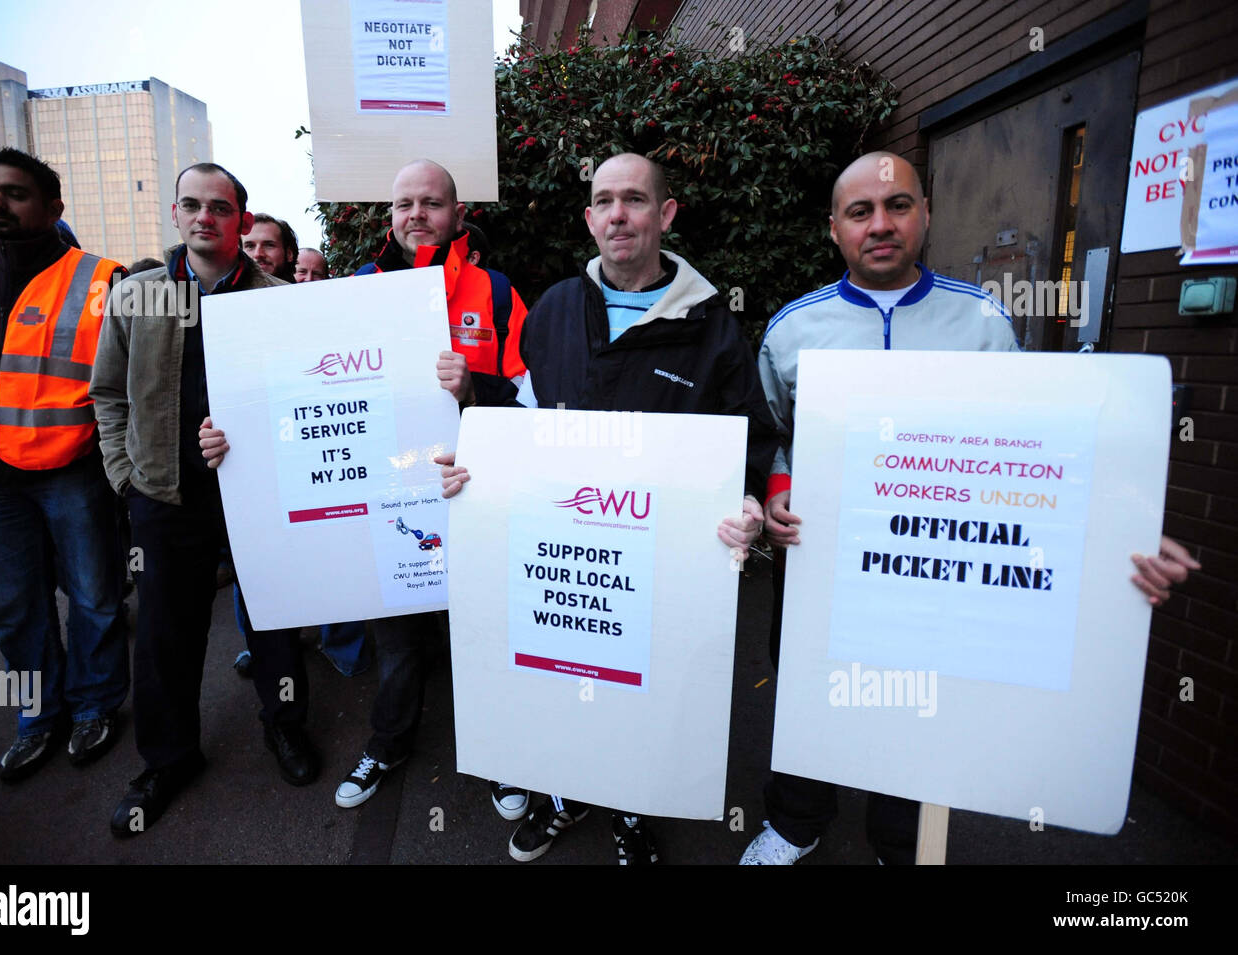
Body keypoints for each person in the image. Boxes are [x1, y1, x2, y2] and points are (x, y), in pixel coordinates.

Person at [742, 150, 1202, 865]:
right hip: (820, 559)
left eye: (898, 206)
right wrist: (776, 493)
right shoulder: (791, 328)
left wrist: (1125, 529)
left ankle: (901, 839)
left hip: (933, 561)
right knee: (809, 686)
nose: (881, 224)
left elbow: (1039, 450)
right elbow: (769, 431)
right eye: (860, 211)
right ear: (834, 228)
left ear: (926, 214)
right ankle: (797, 820)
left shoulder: (983, 321)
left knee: (923, 698)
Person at [437, 151, 777, 864]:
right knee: (562, 679)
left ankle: (629, 807)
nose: (618, 214)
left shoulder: (713, 325)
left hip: (659, 564)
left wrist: (748, 504)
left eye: (635, 199)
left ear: (665, 214)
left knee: (640, 693)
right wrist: (475, 428)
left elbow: (746, 437)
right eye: (604, 201)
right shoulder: (557, 306)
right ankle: (565, 795)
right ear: (589, 218)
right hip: (564, 557)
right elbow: (526, 414)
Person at [202, 159, 532, 818]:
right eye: (404, 203)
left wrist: (473, 391)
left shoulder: (496, 292)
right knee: (398, 640)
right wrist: (232, 435)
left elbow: (529, 401)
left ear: (458, 214)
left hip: (479, 493)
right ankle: (388, 742)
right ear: (389, 218)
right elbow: (296, 388)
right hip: (390, 502)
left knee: (485, 631)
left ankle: (504, 755)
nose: (417, 214)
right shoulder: (354, 288)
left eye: (432, 203)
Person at [91, 162, 318, 838]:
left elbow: (306, 399)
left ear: (241, 222)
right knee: (164, 636)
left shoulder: (278, 297)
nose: (204, 217)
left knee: (276, 623)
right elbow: (108, 394)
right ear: (175, 213)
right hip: (163, 494)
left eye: (219, 207)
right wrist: (123, 472)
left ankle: (285, 726)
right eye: (191, 204)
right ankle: (168, 758)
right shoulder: (136, 296)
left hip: (257, 492)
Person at [0, 147, 128, 779]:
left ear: (53, 209)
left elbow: (129, 383)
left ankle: (95, 704)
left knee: (95, 596)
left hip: (68, 469)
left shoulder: (105, 279)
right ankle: (38, 714)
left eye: (15, 193)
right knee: (13, 608)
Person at [241, 213, 298, 282]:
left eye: (269, 245)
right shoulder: (227, 291)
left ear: (289, 254)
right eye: (250, 246)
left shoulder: (305, 292)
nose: (258, 254)